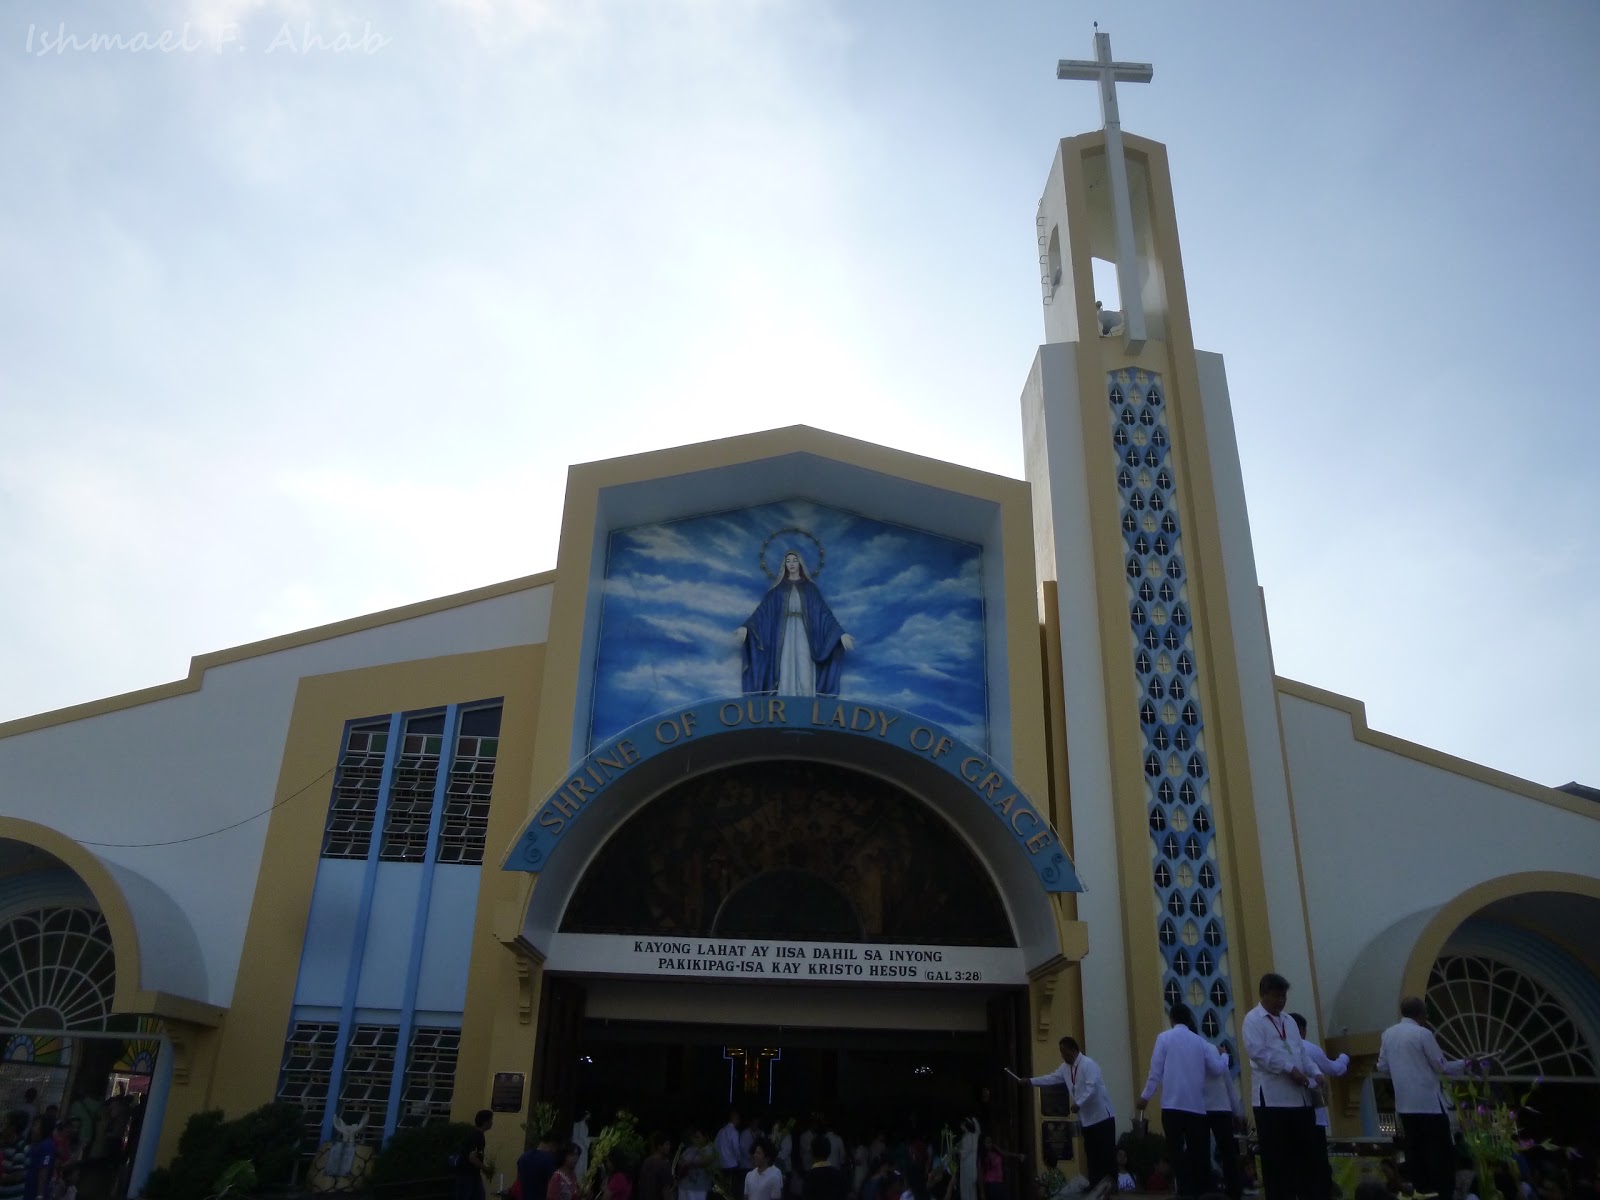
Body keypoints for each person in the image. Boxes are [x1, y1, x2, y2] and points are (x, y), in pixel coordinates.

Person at [1135, 1002, 1230, 1199]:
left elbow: (1155, 1072)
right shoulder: (1200, 1042)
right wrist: (1225, 1057)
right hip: (1196, 1109)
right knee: (1198, 1152)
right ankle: (1197, 1190)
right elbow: (1217, 1069)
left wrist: (1145, 1097)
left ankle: (1184, 1190)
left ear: (1172, 1019)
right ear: (1188, 1019)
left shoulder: (1164, 1038)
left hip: (1172, 1107)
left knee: (1177, 1152)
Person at [1378, 997, 1469, 1200]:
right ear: (1422, 1015)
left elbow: (1382, 1066)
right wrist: (1465, 1063)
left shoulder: (1388, 1034)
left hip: (1405, 1104)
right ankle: (1442, 1193)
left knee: (1415, 1152)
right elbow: (1441, 1066)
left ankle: (1422, 1191)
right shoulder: (1422, 1033)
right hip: (1429, 1104)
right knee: (1440, 1154)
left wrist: (1402, 1071)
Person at [1242, 973, 1322, 1200]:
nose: (1281, 1000)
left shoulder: (1288, 1021)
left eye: (1284, 996)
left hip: (1299, 1099)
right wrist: (1288, 1068)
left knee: (1305, 1153)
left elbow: (1301, 1052)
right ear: (1264, 994)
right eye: (1277, 995)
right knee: (1276, 1158)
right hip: (1272, 1100)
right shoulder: (1253, 1019)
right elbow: (1258, 1053)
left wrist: (1315, 1073)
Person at [736, 550, 854, 697]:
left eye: (794, 560)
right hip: (783, 637)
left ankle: (806, 701)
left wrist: (840, 635)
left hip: (804, 634)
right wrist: (746, 628)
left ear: (800, 564)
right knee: (785, 667)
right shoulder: (777, 590)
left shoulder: (810, 589)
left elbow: (824, 613)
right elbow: (762, 612)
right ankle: (785, 701)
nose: (791, 564)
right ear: (784, 565)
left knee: (805, 668)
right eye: (788, 561)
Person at [1009, 1036, 1117, 1188]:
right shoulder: (1065, 1068)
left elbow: (1091, 1087)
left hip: (1102, 1118)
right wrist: (1031, 1081)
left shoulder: (1088, 1064)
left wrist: (1078, 1103)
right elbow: (1051, 1079)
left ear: (1073, 1050)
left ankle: (1112, 1188)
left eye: (1064, 1052)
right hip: (1087, 1121)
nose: (1062, 1055)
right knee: (1092, 1156)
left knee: (1106, 1154)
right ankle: (1096, 1187)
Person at [1293, 1012, 1349, 1200]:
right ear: (1302, 1030)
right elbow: (1335, 1069)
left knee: (1301, 1164)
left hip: (1293, 1115)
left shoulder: (1283, 1049)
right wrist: (1344, 1057)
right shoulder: (1309, 1048)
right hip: (1315, 1114)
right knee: (1318, 1163)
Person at [456, 1111, 494, 1200]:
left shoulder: (477, 1134)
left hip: (473, 1174)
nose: (492, 1122)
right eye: (491, 1120)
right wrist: (485, 1168)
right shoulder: (476, 1136)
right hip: (467, 1174)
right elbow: (472, 1157)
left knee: (479, 1196)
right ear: (485, 1122)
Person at [520, 1133, 562, 1200]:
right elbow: (554, 1185)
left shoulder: (523, 1157)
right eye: (556, 1148)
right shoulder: (548, 1160)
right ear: (552, 1144)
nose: (555, 1151)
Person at [21, 1119, 54, 1200]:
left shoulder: (47, 1145)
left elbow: (43, 1170)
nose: (33, 1128)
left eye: (36, 1126)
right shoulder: (35, 1144)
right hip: (26, 1189)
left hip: (34, 1191)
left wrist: (39, 1195)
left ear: (43, 1128)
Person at [680, 1129, 715, 1200]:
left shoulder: (709, 1149)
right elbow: (680, 1161)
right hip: (684, 1186)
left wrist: (689, 1162)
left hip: (699, 1188)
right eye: (695, 1137)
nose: (696, 1139)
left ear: (705, 1138)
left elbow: (704, 1162)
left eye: (698, 1137)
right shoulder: (689, 1149)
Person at [638, 1134, 675, 1200]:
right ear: (659, 1146)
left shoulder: (646, 1161)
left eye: (669, 1144)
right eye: (666, 1144)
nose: (669, 1147)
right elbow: (666, 1189)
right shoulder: (664, 1164)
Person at [718, 1112, 745, 1200]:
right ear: (735, 1118)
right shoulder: (734, 1132)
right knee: (732, 1189)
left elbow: (715, 1145)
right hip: (732, 1165)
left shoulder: (721, 1131)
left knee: (723, 1189)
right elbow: (736, 1148)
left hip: (721, 1164)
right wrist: (739, 1160)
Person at [2, 1114, 29, 1200]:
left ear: (13, 1127)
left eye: (6, 1124)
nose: (4, 1127)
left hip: (12, 1195)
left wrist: (3, 1177)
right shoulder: (8, 1144)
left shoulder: (19, 1148)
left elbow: (18, 1176)